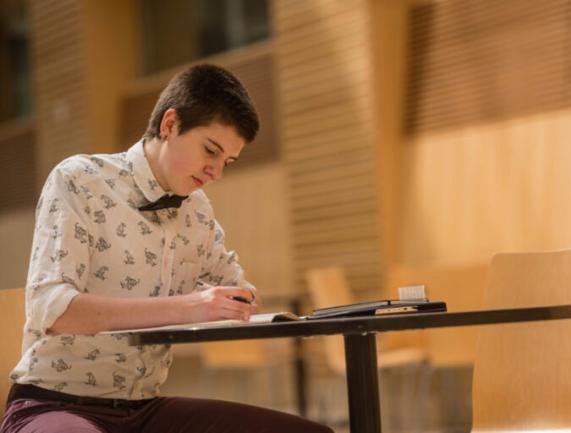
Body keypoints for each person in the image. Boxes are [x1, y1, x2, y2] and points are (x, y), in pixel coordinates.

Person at [0, 64, 333, 433]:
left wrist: (237, 299)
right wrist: (191, 306)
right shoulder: (79, 180)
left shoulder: (197, 209)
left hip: (143, 408)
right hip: (53, 403)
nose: (216, 172)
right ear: (170, 124)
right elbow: (54, 309)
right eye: (211, 150)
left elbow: (244, 293)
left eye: (227, 161)